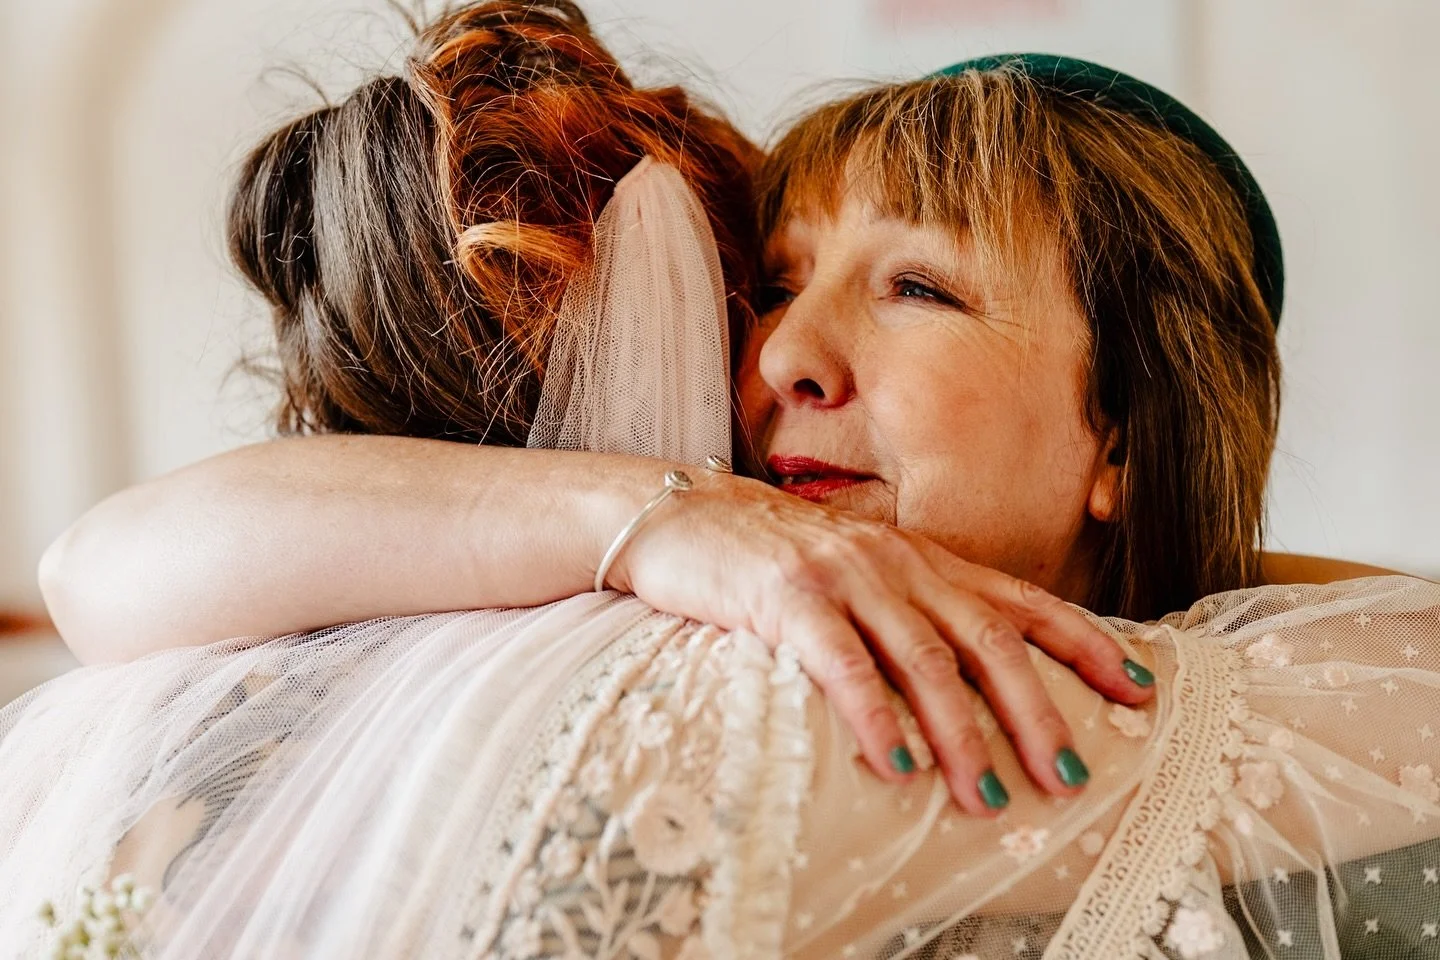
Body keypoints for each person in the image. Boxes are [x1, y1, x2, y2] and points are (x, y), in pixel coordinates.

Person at [4, 3, 1437, 959]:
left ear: (1125, 428)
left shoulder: (1280, 681)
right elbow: (93, 565)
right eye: (775, 283)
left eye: (921, 286)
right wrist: (660, 518)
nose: (786, 359)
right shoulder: (685, 622)